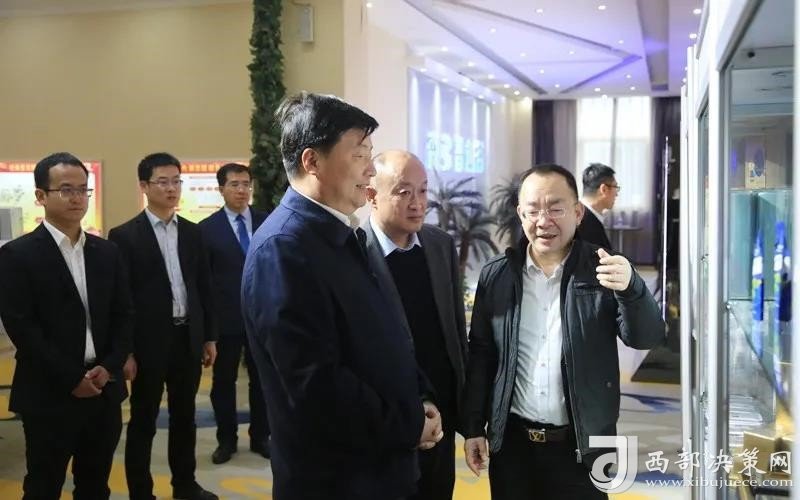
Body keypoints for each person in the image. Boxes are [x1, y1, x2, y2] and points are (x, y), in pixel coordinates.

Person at [241, 92, 443, 500]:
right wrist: (407, 423)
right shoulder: (284, 249)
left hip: (379, 467)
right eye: (359, 154)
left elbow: (383, 335)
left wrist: (419, 397)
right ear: (312, 161)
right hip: (338, 480)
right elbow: (316, 386)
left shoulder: (338, 233)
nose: (370, 168)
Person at [461, 164, 664, 499]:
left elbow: (645, 338)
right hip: (512, 448)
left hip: (582, 447)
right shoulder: (497, 276)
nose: (543, 221)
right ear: (520, 214)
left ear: (578, 212)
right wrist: (472, 427)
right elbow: (482, 355)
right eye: (533, 210)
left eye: (555, 209)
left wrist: (632, 289)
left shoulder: (602, 271)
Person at [0, 152, 134, 499]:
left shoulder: (107, 252)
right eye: (65, 190)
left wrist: (109, 366)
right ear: (41, 196)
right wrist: (72, 378)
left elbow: (124, 316)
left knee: (95, 484)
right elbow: (23, 329)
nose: (77, 198)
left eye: (82, 189)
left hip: (103, 389)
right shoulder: (18, 255)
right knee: (43, 485)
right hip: (49, 392)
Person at [108, 152, 218, 500]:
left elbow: (204, 287)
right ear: (144, 186)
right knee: (144, 420)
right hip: (148, 343)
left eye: (176, 181)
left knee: (185, 418)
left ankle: (185, 485)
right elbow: (121, 300)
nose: (172, 189)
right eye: (163, 182)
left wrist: (209, 336)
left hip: (187, 338)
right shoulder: (124, 236)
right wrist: (126, 351)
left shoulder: (193, 233)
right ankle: (141, 492)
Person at [364, 150, 467, 500]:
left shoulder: (440, 245)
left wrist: (464, 412)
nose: (417, 203)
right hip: (389, 417)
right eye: (403, 191)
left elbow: (455, 331)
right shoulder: (352, 253)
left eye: (423, 191)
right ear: (371, 195)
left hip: (443, 411)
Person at [198, 163, 270, 464]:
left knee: (263, 381)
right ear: (221, 189)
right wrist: (208, 330)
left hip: (262, 318)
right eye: (234, 185)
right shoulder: (206, 229)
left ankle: (261, 436)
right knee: (223, 383)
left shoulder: (267, 221)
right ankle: (226, 440)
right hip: (225, 320)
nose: (242, 190)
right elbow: (203, 282)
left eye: (246, 184)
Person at [578, 163, 618, 249]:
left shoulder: (580, 215)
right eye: (615, 187)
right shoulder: (584, 223)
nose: (617, 194)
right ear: (604, 189)